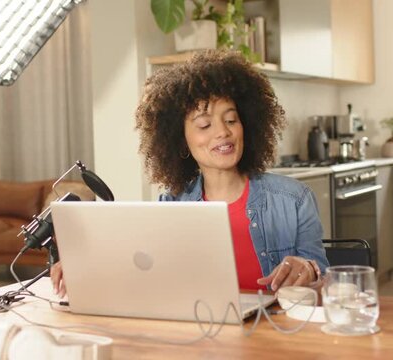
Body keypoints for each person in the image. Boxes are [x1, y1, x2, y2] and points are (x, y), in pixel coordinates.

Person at [51, 49, 328, 297]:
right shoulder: (172, 205)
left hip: (276, 337)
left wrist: (309, 269)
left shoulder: (294, 199)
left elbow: (323, 280)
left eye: (231, 119)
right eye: (205, 125)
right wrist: (85, 266)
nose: (223, 131)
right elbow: (140, 265)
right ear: (181, 141)